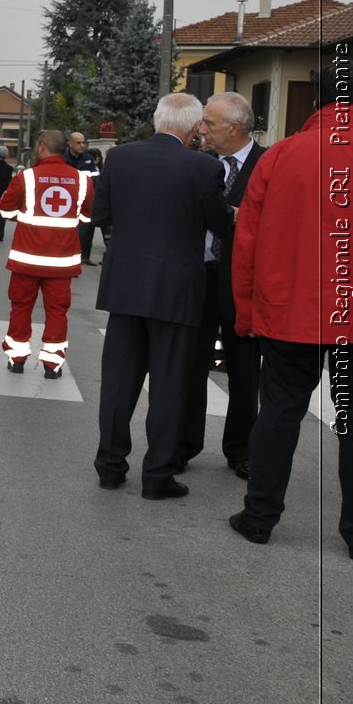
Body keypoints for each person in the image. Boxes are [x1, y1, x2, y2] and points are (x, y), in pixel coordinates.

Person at [228, 61, 353, 557]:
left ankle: (260, 517)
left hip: (289, 311)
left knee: (279, 413)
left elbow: (248, 244)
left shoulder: (280, 155)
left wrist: (245, 314)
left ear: (315, 100)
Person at [91, 93, 230, 499]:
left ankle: (109, 466)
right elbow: (219, 223)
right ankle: (157, 476)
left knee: (118, 383)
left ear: (156, 120)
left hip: (126, 286)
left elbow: (102, 215)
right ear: (190, 129)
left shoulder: (119, 158)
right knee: (169, 385)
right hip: (177, 290)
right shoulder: (205, 167)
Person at [178, 92, 265, 479]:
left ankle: (241, 449)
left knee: (244, 370)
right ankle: (184, 443)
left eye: (209, 123)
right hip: (201, 277)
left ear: (234, 127)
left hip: (246, 282)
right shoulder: (198, 164)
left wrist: (235, 215)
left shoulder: (268, 164)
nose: (202, 130)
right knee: (191, 364)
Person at [0, 130, 92, 377]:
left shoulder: (26, 177)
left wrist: (28, 220)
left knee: (20, 307)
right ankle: (52, 365)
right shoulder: (82, 180)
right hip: (61, 263)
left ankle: (17, 359)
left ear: (41, 147)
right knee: (57, 312)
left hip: (26, 261)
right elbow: (85, 217)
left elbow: (6, 211)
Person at [65, 132, 100, 265]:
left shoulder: (88, 159)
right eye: (78, 143)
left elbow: (95, 178)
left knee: (87, 227)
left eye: (83, 142)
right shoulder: (63, 159)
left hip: (85, 199)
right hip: (68, 200)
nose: (82, 145)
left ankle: (84, 256)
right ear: (70, 144)